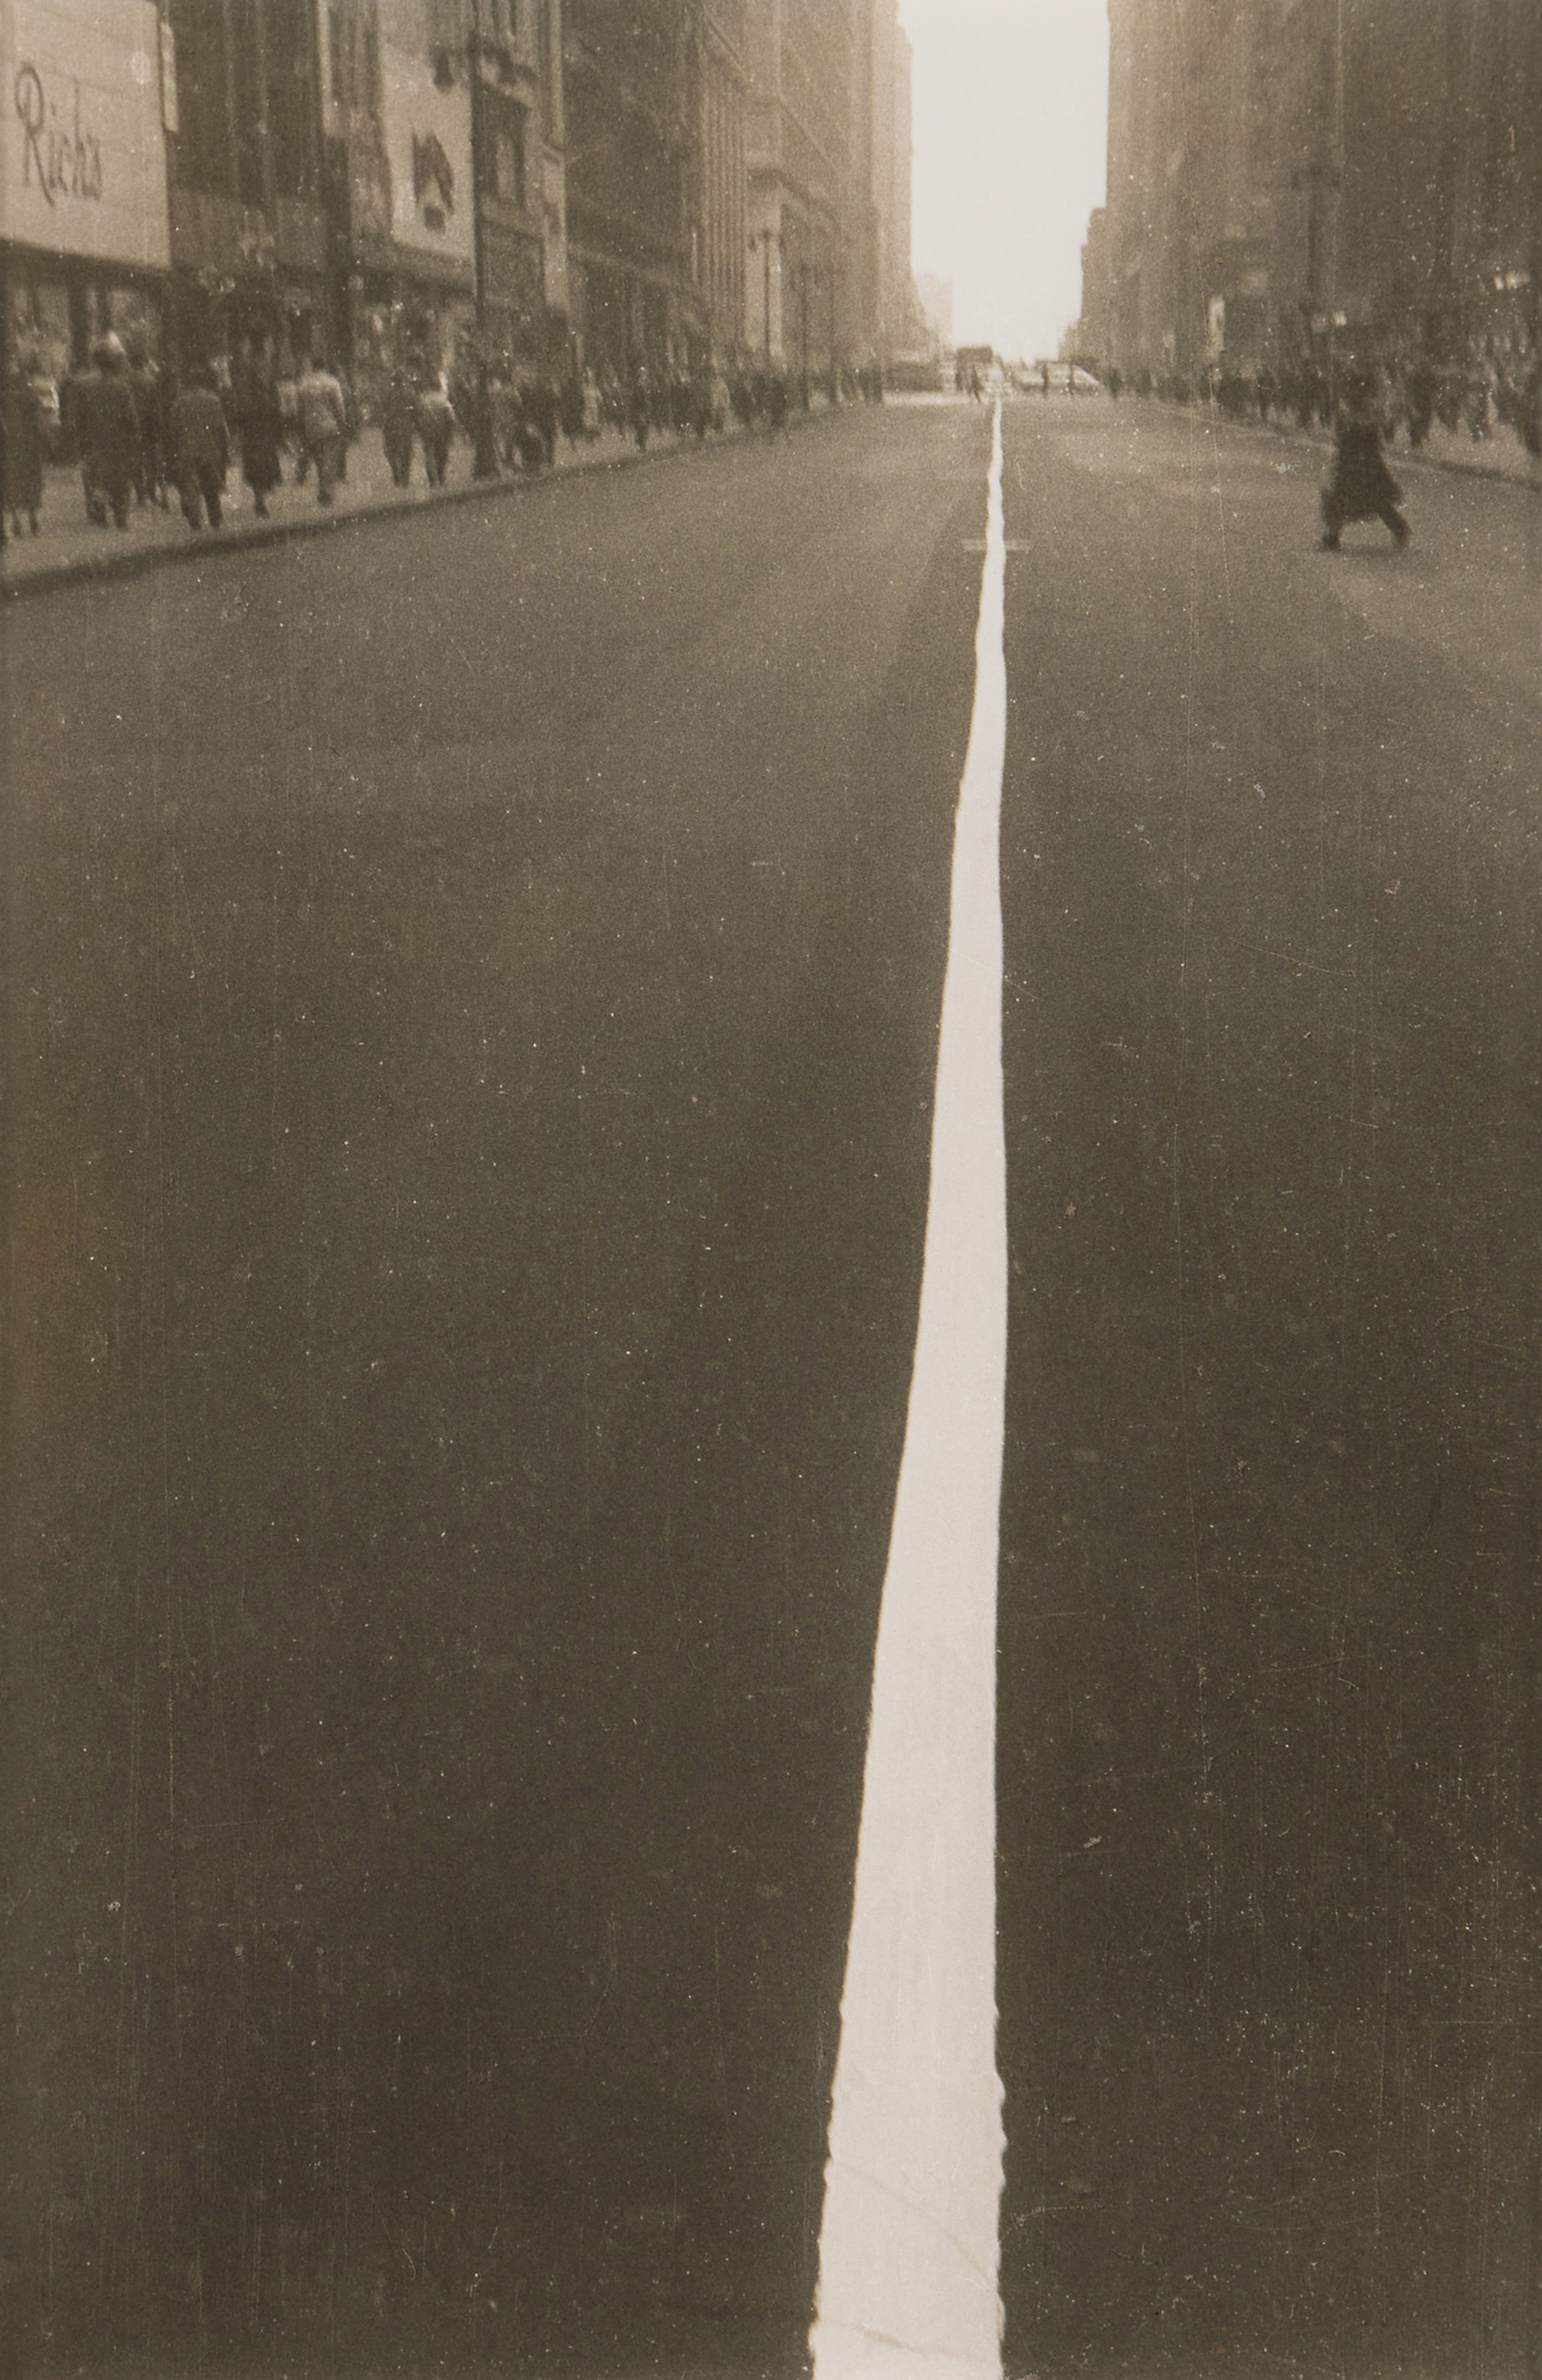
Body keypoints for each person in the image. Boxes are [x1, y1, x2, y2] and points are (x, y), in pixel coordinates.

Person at [1320, 369, 1408, 550]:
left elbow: (1341, 435)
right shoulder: (1367, 409)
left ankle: (1332, 536)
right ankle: (1399, 530)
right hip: (1365, 461)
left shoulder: (1350, 410)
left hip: (1354, 460)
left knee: (1344, 497)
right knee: (1372, 499)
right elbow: (1376, 436)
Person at [88, 336, 141, 530]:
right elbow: (130, 416)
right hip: (121, 439)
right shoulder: (122, 387)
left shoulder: (93, 388)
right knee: (122, 478)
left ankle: (100, 505)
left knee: (103, 475)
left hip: (100, 439)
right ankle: (121, 516)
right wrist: (135, 435)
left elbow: (88, 416)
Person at [171, 366, 230, 530]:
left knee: (191, 484)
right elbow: (221, 427)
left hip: (187, 449)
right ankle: (215, 517)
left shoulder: (179, 402)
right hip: (209, 448)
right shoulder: (213, 400)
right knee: (211, 484)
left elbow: (173, 428)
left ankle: (195, 518)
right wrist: (224, 447)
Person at [235, 356, 285, 517]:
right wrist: (280, 439)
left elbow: (240, 418)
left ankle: (259, 500)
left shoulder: (246, 398)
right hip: (264, 440)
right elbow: (277, 418)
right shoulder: (267, 398)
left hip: (253, 440)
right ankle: (260, 501)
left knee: (257, 472)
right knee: (262, 471)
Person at [295, 355, 347, 504]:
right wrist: (342, 423)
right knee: (328, 459)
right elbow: (339, 407)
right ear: (324, 367)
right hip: (329, 426)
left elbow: (300, 409)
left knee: (319, 460)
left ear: (313, 366)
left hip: (311, 427)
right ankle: (325, 491)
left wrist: (301, 427)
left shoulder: (303, 384)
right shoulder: (332, 383)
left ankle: (323, 489)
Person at [4, 359, 46, 538]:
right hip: (30, 446)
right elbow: (39, 422)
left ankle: (15, 521)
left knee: (12, 483)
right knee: (32, 483)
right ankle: (33, 519)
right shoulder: (31, 396)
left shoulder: (4, 398)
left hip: (11, 446)